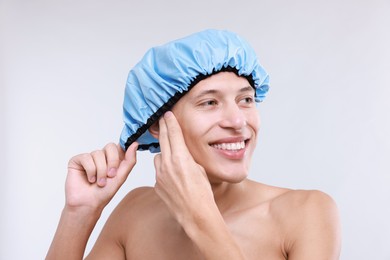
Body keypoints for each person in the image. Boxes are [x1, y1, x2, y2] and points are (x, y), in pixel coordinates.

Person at [46, 29, 341, 259]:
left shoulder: (306, 213)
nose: (238, 121)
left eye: (246, 99)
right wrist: (79, 213)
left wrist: (200, 219)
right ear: (157, 124)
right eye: (210, 102)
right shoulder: (135, 212)